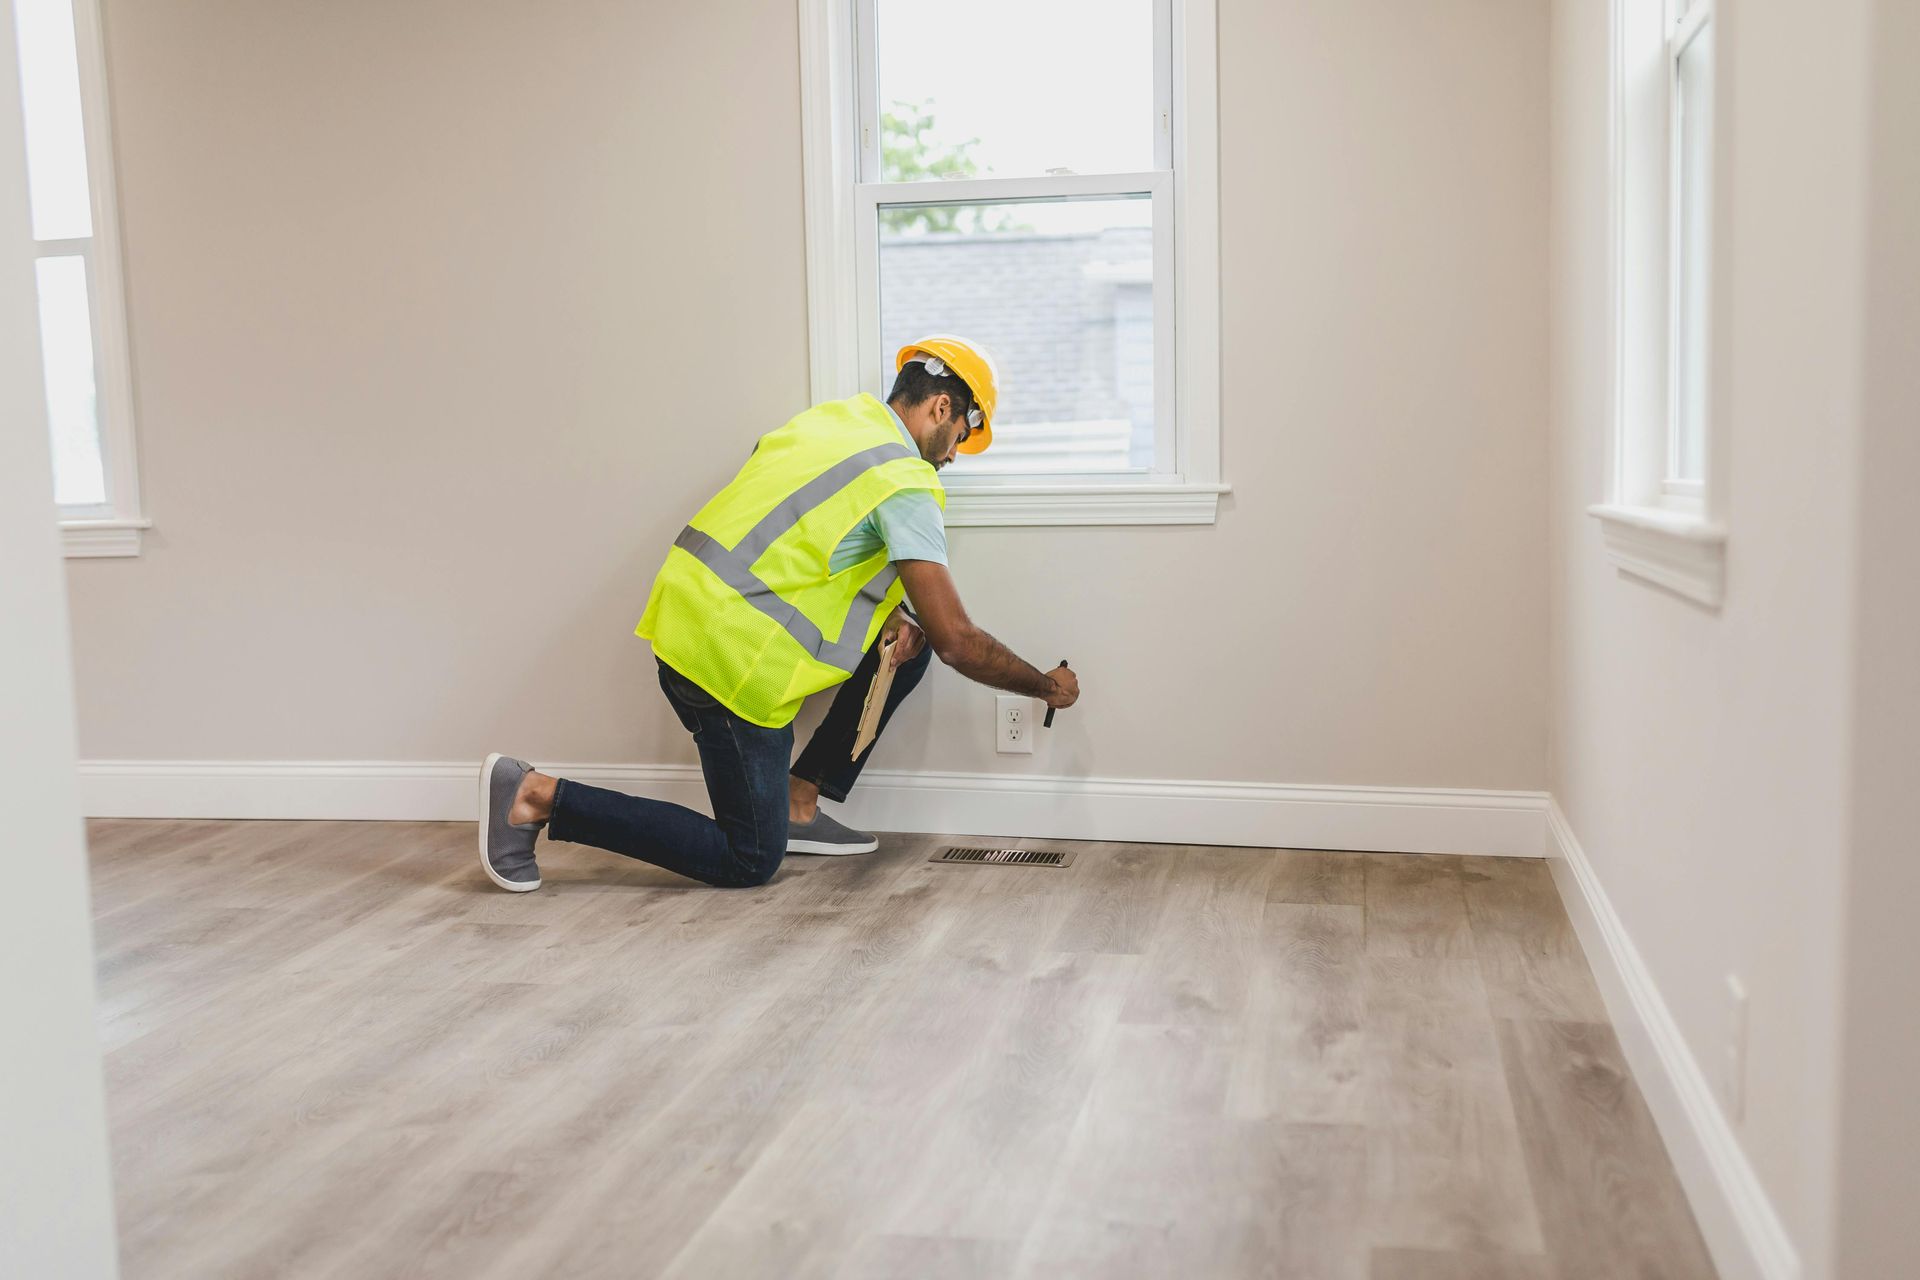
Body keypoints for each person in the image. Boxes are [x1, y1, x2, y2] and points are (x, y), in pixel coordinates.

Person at [478, 335, 1080, 891]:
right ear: (943, 409)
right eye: (962, 440)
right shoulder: (904, 479)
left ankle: (797, 801)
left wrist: (894, 618)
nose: (954, 457)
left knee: (908, 647)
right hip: (730, 662)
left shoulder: (830, 422)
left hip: (685, 616)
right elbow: (959, 641)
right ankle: (532, 795)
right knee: (748, 858)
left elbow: (798, 537)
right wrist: (1044, 687)